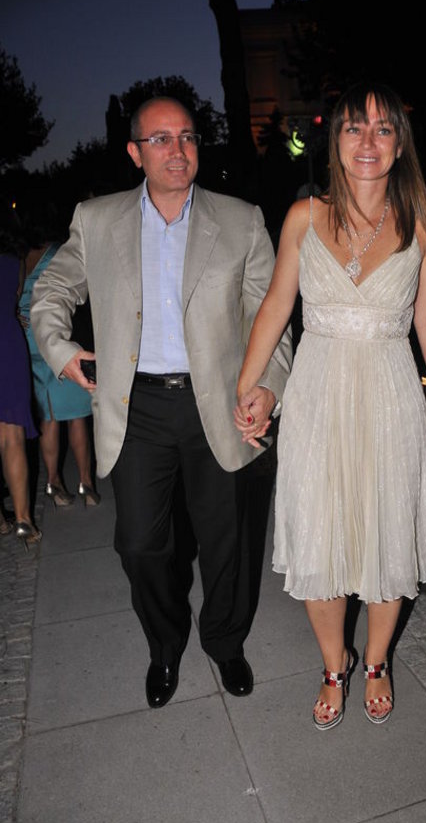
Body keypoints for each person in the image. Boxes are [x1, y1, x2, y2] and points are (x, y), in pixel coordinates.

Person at [31, 96, 292, 709]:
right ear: (135, 152)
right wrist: (62, 351)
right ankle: (166, 643)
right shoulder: (97, 219)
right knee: (141, 545)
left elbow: (270, 316)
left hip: (219, 404)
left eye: (187, 136)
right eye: (161, 139)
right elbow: (51, 290)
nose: (178, 150)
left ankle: (224, 641)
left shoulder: (241, 220)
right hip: (137, 408)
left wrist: (268, 385)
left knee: (228, 541)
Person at [235, 82, 426, 731]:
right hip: (317, 396)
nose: (368, 140)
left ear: (399, 145)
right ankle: (334, 665)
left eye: (383, 128)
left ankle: (377, 661)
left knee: (387, 534)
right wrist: (247, 386)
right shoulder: (303, 217)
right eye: (354, 128)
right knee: (321, 534)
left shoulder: (421, 226)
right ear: (335, 141)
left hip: (391, 395)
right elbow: (276, 306)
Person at [19, 221, 100, 508]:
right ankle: (85, 483)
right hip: (56, 339)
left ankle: (53, 482)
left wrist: (19, 315)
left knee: (49, 415)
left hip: (29, 339)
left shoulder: (18, 257)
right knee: (77, 415)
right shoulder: (58, 252)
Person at [0, 200, 42, 549]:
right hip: (7, 342)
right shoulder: (16, 257)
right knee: (11, 436)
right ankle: (24, 520)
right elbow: (14, 297)